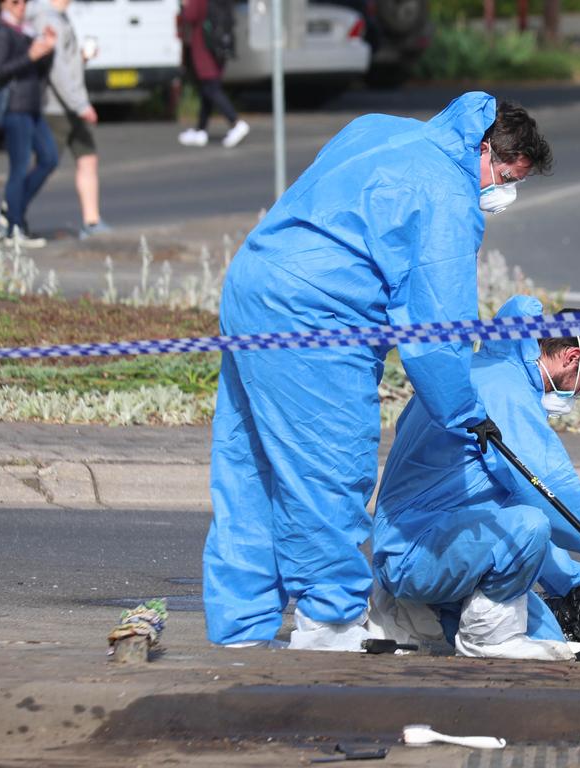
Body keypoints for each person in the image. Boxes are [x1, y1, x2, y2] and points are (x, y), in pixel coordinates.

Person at [202, 92, 553, 650]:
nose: (503, 191)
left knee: (253, 462)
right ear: (486, 149)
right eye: (508, 175)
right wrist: (464, 411)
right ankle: (330, 620)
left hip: (254, 282)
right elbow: (436, 329)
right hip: (321, 314)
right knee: (328, 463)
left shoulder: (380, 128)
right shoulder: (448, 193)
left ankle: (240, 626)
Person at [371, 294, 580, 660]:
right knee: (531, 523)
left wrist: (575, 583)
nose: (578, 396)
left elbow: (508, 512)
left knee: (555, 643)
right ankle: (483, 642)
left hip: (436, 540)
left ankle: (423, 618)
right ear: (572, 358)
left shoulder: (484, 368)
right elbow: (549, 496)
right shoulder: (506, 391)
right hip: (417, 555)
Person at [26, 0, 110, 239]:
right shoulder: (47, 18)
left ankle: (92, 222)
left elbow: (66, 64)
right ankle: (9, 211)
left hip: (71, 105)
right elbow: (56, 71)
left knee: (88, 159)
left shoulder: (60, 17)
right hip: (57, 107)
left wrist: (82, 57)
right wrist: (81, 105)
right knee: (44, 164)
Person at [0, 0, 57, 248]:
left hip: (32, 106)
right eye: (15, 2)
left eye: (24, 1)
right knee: (19, 167)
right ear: (3, 6)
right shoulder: (3, 33)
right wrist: (30, 56)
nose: (21, 6)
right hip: (14, 108)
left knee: (49, 157)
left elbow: (39, 71)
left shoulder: (27, 31)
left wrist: (47, 49)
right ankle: (15, 227)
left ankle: (11, 210)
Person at [176, 0, 247, 148]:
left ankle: (235, 122)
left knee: (211, 88)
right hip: (219, 47)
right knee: (206, 90)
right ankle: (201, 130)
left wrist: (184, 5)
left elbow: (190, 16)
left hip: (204, 48)